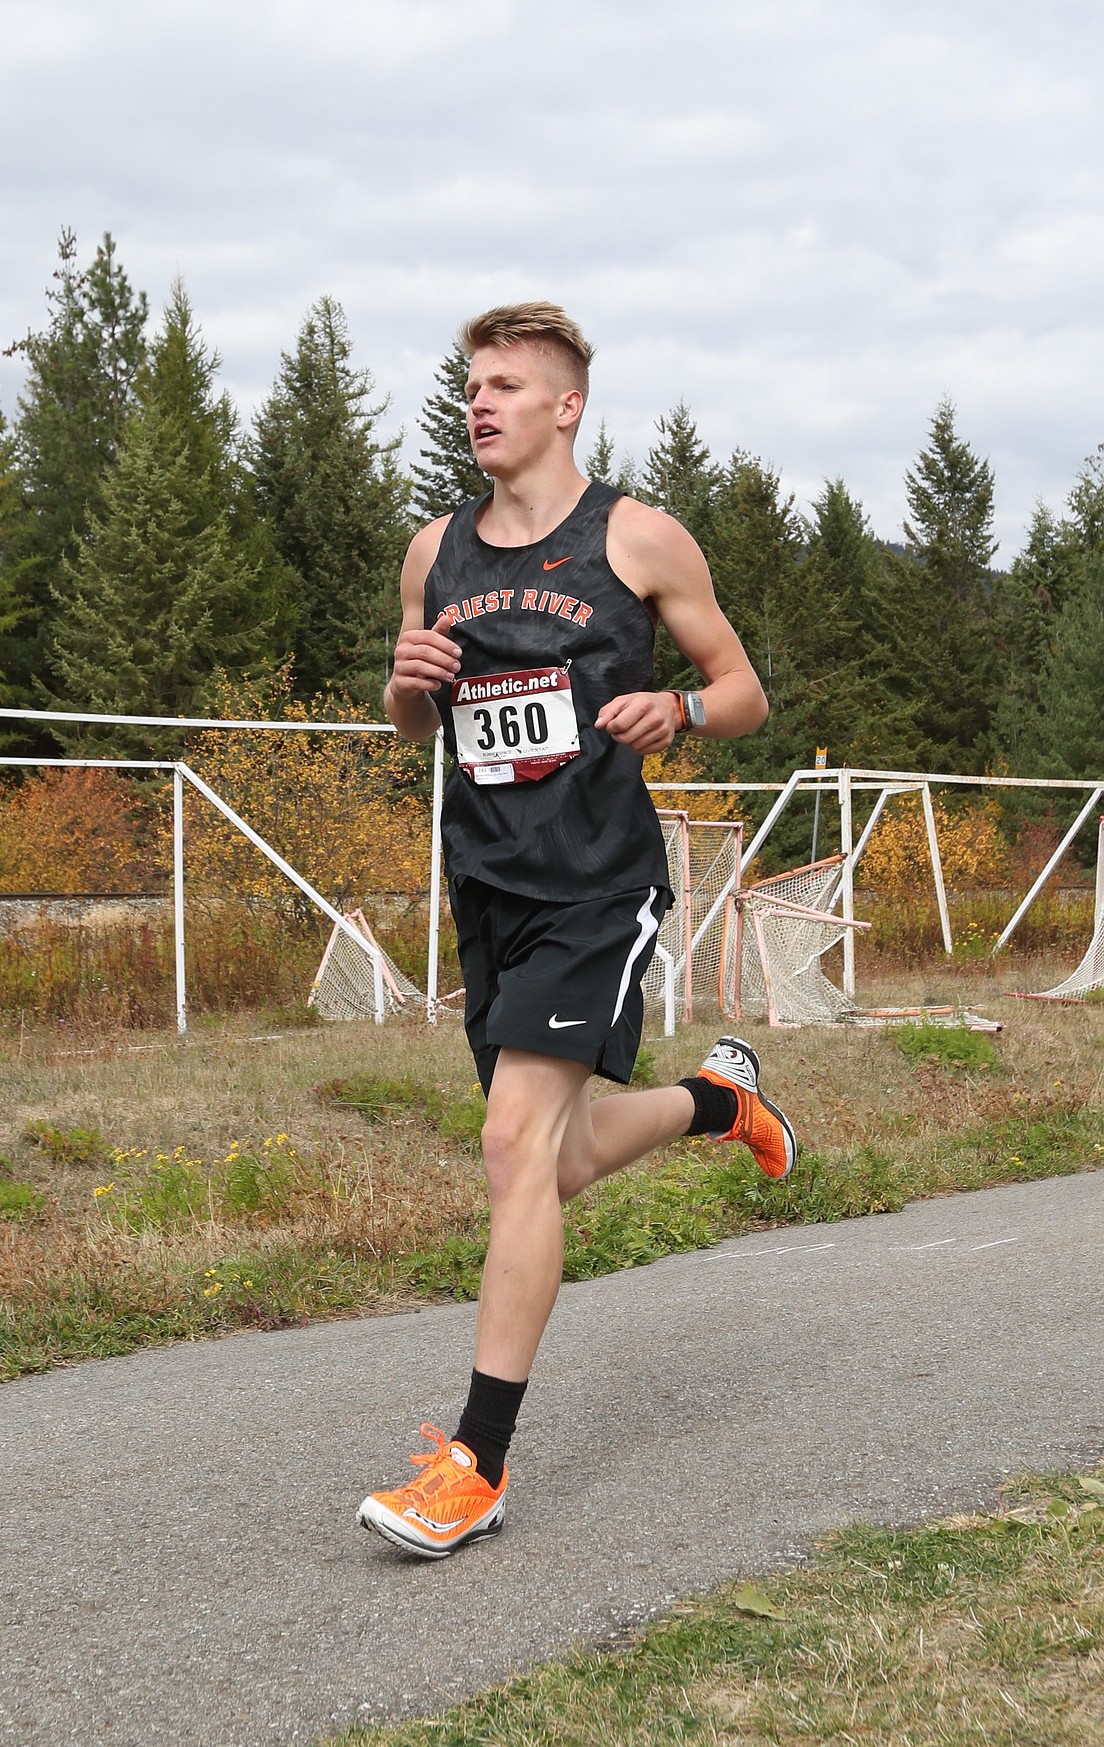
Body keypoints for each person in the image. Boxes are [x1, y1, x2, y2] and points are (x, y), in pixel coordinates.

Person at [358, 303, 796, 1558]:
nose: (479, 402)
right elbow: (409, 721)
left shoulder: (639, 537)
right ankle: (720, 1103)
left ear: (567, 407)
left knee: (511, 1145)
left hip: (598, 885)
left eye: (505, 384)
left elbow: (747, 692)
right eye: (470, 385)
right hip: (486, 886)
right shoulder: (433, 548)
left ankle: (475, 1464)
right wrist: (406, 687)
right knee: (541, 1165)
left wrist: (679, 706)